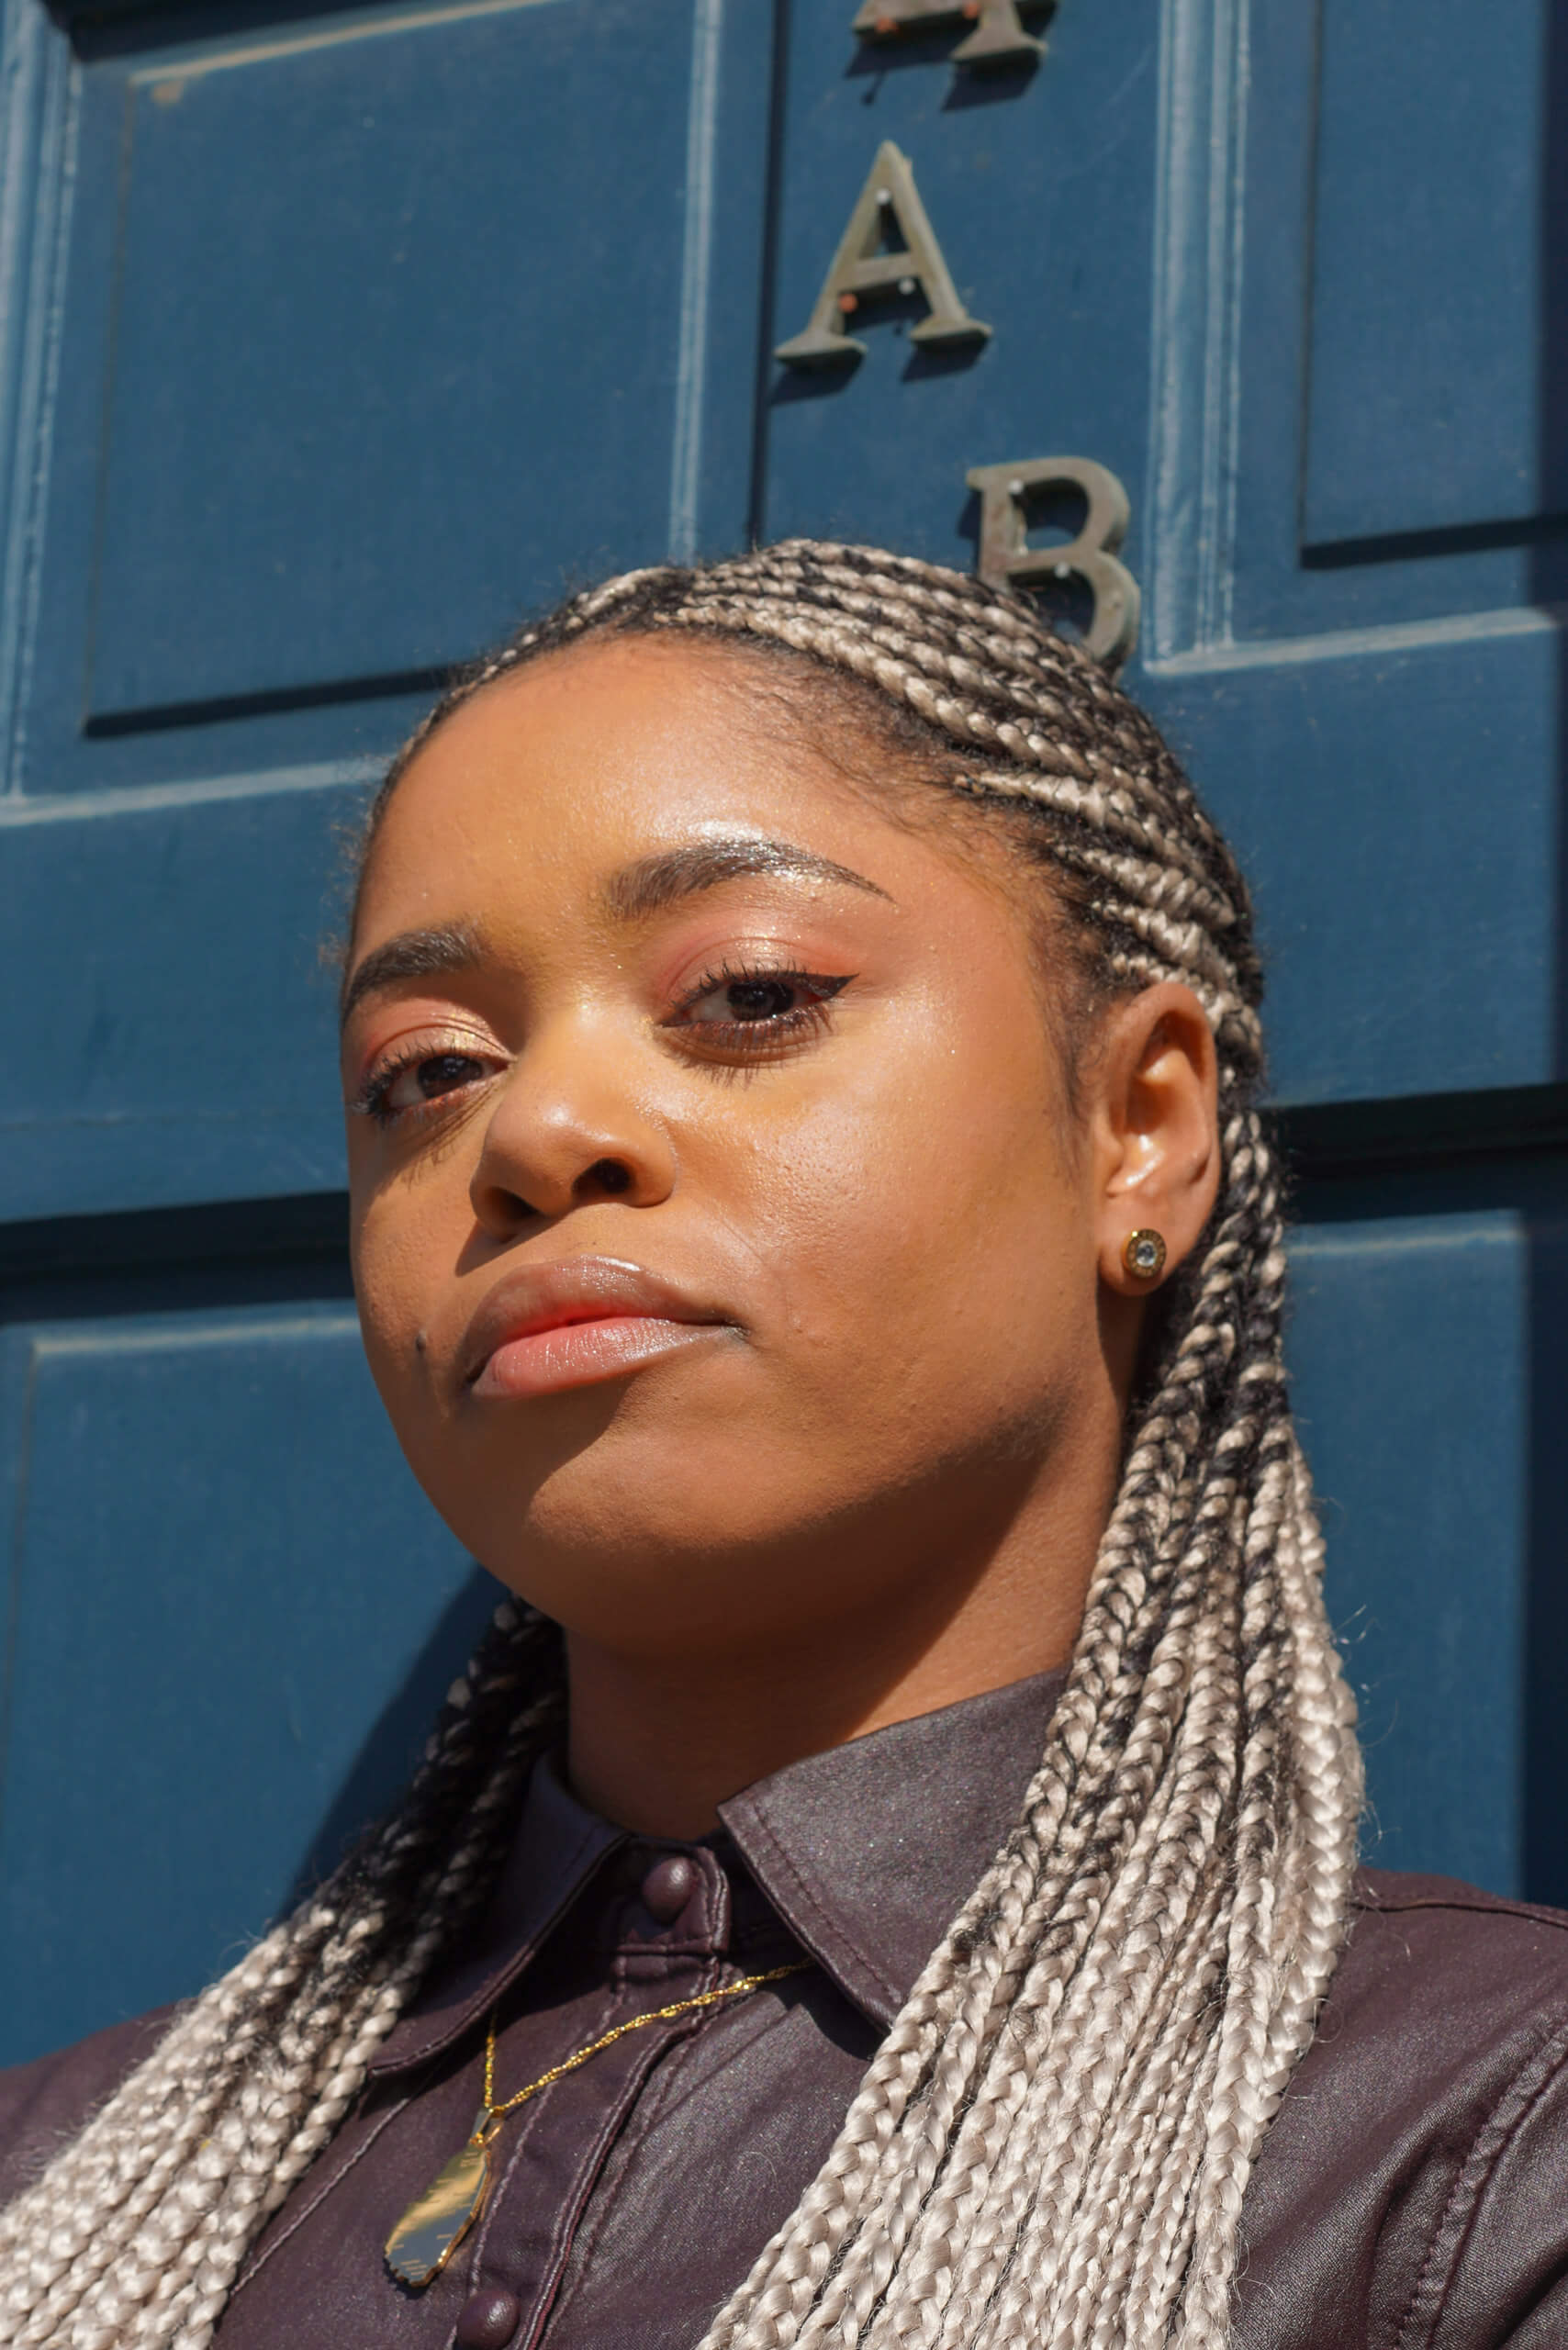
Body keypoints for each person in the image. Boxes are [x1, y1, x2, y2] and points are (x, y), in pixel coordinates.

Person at [2, 542, 1565, 2350]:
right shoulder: (68, 2181)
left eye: (745, 994)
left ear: (1136, 1125)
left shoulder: (1476, 2157)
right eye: (427, 1069)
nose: (539, 1127)